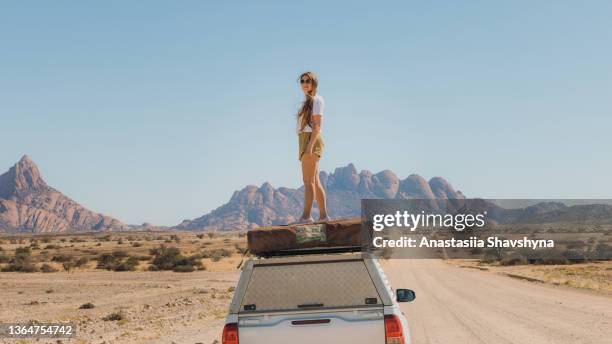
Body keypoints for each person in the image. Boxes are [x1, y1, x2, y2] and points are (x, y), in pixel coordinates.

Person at [294, 71, 329, 224]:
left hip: (310, 139)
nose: (304, 83)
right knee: (314, 179)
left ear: (314, 83)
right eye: (302, 81)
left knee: (308, 181)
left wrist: (309, 146)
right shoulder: (306, 102)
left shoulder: (316, 100)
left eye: (308, 81)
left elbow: (317, 125)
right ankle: (323, 216)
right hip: (305, 139)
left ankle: (306, 216)